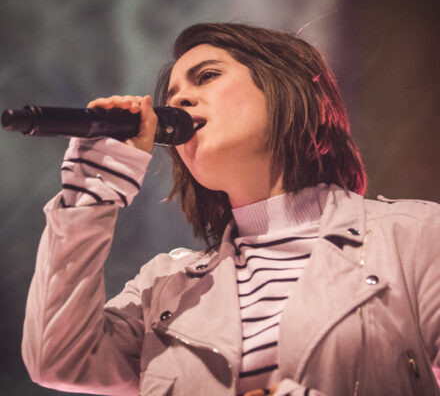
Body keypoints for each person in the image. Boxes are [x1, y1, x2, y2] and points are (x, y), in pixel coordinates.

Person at [22, 23, 440, 396]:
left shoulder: (416, 236)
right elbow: (58, 360)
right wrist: (90, 197)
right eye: (172, 95)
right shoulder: (163, 288)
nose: (181, 97)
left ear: (288, 90)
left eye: (207, 76)